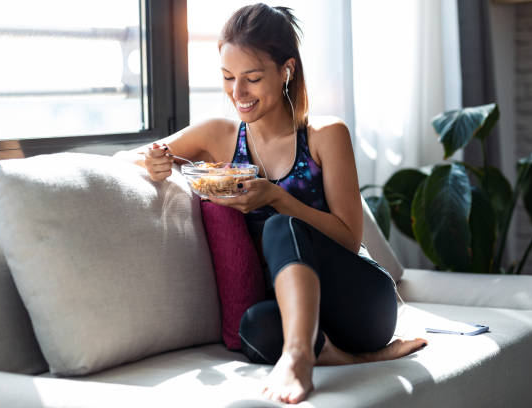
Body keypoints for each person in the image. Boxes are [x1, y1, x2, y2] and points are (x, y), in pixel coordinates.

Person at [114, 3, 427, 404]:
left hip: (360, 301)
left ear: (287, 70)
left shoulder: (324, 135)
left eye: (252, 78)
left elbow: (349, 240)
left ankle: (300, 357)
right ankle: (348, 357)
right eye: (227, 78)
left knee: (282, 225)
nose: (237, 93)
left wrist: (279, 198)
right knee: (252, 328)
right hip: (293, 310)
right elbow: (126, 158)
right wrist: (155, 161)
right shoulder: (220, 135)